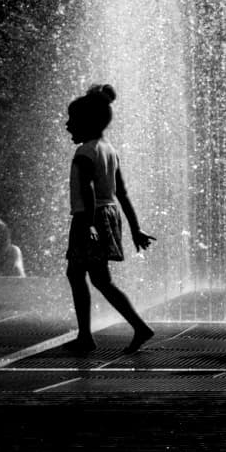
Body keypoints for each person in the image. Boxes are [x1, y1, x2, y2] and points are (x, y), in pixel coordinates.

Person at [61, 85, 154, 355]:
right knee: (98, 279)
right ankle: (135, 327)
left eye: (72, 120)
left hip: (88, 217)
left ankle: (87, 337)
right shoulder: (109, 150)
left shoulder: (85, 153)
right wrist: (135, 228)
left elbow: (88, 190)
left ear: (86, 123)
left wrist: (88, 224)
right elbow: (121, 193)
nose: (67, 125)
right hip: (108, 214)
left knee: (79, 274)